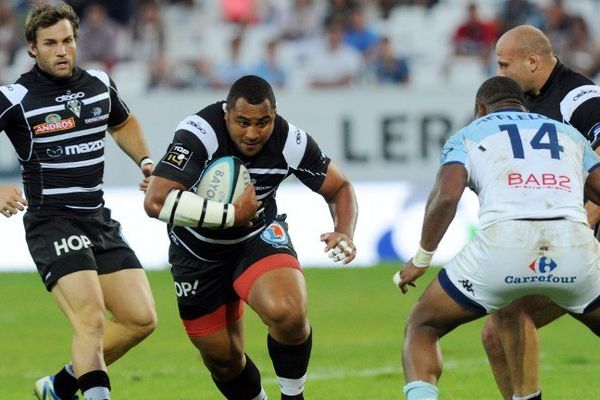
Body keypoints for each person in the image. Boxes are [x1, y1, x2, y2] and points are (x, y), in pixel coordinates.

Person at [144, 74, 358, 400]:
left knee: (288, 311)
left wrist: (344, 231)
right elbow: (156, 201)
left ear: (275, 115)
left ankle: (293, 396)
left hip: (257, 238)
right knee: (224, 361)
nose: (253, 133)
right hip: (196, 254)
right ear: (226, 113)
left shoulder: (290, 141)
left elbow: (340, 187)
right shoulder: (199, 133)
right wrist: (232, 215)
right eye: (243, 122)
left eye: (263, 123)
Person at [396, 75, 600, 400]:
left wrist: (421, 259)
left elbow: (445, 198)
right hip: (573, 245)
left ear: (480, 109)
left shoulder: (467, 135)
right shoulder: (568, 134)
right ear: (524, 105)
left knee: (423, 327)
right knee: (511, 312)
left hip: (503, 248)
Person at [0, 3, 157, 400]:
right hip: (52, 223)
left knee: (141, 319)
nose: (61, 50)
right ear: (32, 48)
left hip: (96, 219)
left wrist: (146, 161)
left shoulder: (99, 84)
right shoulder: (16, 96)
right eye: (50, 43)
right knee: (91, 320)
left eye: (67, 40)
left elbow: (123, 122)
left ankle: (60, 386)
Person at [486, 23, 600, 399]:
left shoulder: (579, 96)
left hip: (585, 240)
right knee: (499, 330)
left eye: (504, 65)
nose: (499, 74)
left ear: (532, 61)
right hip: (568, 245)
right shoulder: (526, 105)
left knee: (507, 317)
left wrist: (581, 225)